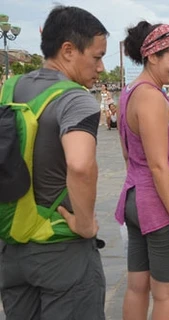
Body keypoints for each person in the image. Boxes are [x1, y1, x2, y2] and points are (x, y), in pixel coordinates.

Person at [0, 5, 108, 319]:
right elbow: (80, 164)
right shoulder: (76, 98)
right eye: (97, 56)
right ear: (69, 50)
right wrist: (85, 224)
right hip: (61, 249)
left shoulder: (9, 89)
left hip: (12, 249)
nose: (100, 68)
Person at [116, 21, 169, 320]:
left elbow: (127, 152)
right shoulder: (150, 96)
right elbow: (158, 164)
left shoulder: (129, 92)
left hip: (135, 199)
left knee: (138, 286)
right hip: (162, 206)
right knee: (166, 294)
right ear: (152, 55)